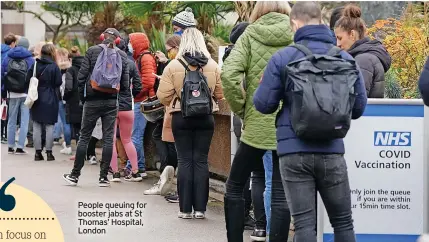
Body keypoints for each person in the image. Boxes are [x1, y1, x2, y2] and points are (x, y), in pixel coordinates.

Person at [253, 2, 368, 242]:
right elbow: (358, 109)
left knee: (305, 225)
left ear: (294, 23)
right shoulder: (346, 59)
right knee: (343, 222)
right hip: (332, 152)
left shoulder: (283, 57)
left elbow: (264, 105)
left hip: (294, 151)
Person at [221, 1, 293, 241]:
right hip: (289, 125)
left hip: (257, 122)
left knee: (234, 186)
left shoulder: (249, 34)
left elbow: (230, 75)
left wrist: (243, 110)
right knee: (281, 193)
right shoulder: (296, 34)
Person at [157, 27, 224, 219]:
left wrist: (178, 97)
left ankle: (185, 210)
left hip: (181, 117)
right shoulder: (212, 65)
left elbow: (162, 96)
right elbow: (221, 94)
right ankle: (201, 209)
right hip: (205, 118)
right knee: (201, 161)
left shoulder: (173, 66)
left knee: (185, 160)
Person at [63, 28, 129, 187]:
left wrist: (83, 97)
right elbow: (125, 84)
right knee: (108, 139)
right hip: (111, 101)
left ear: (102, 38)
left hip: (92, 101)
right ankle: (103, 177)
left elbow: (81, 77)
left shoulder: (92, 51)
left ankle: (74, 175)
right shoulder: (122, 55)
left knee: (84, 137)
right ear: (118, 41)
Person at [223, 22, 255, 231]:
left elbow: (231, 84)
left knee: (241, 172)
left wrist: (240, 109)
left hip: (241, 118)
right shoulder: (246, 55)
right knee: (258, 175)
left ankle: (242, 215)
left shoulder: (230, 56)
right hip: (252, 120)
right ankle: (249, 216)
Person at [144, 35, 181, 196]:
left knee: (166, 139)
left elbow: (166, 90)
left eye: (169, 50)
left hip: (173, 109)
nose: (168, 53)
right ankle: (166, 173)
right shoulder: (178, 62)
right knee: (161, 137)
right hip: (179, 110)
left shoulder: (176, 63)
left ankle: (167, 172)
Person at [334, 4, 391, 98]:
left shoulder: (363, 60)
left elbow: (356, 99)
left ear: (352, 34)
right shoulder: (367, 56)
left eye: (340, 38)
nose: (337, 44)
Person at [110, 39, 143, 182]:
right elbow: (138, 85)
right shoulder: (131, 63)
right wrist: (131, 96)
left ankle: (115, 173)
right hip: (127, 106)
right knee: (127, 140)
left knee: (110, 141)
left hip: (110, 105)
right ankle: (135, 172)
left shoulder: (109, 63)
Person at [27, 43, 63, 161]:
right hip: (51, 97)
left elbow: (28, 79)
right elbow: (58, 82)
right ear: (52, 53)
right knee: (49, 125)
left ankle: (37, 153)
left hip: (36, 97)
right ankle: (49, 152)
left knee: (37, 124)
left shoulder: (35, 64)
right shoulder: (54, 66)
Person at [129, 32, 157, 178]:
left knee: (136, 136)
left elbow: (148, 81)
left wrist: (134, 92)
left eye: (130, 42)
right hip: (142, 100)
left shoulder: (145, 58)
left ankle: (137, 168)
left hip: (142, 101)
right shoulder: (141, 58)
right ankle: (134, 166)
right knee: (136, 135)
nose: (129, 45)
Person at [1, 37, 34, 155]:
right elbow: (33, 77)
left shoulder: (7, 57)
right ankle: (20, 147)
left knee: (11, 119)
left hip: (12, 93)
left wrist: (3, 91)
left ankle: (10, 146)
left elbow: (2, 75)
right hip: (25, 92)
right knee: (24, 120)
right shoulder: (30, 59)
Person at [64, 46, 83, 147]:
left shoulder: (70, 70)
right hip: (86, 101)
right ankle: (88, 152)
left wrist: (65, 97)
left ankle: (79, 151)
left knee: (76, 127)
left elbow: (68, 87)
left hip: (73, 101)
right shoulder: (87, 68)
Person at [55, 47, 73, 154]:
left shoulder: (57, 68)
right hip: (70, 98)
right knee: (71, 122)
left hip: (60, 97)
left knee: (65, 122)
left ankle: (68, 145)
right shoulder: (71, 68)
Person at [1, 33, 17, 144]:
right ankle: (5, 135)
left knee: (2, 109)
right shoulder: (10, 54)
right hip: (6, 85)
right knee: (6, 110)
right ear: (12, 43)